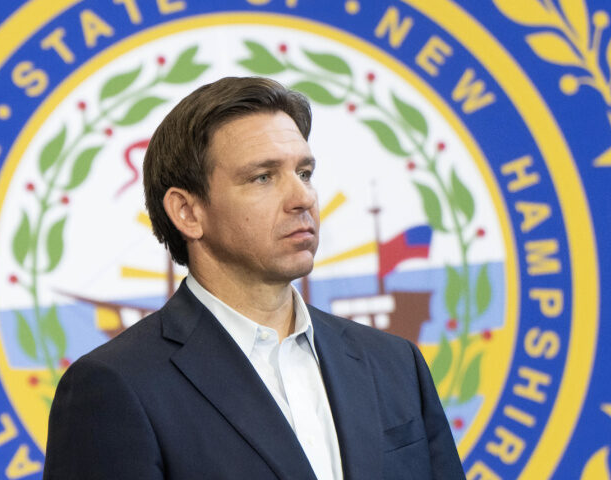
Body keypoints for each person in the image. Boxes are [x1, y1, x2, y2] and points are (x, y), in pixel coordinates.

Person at [43, 77, 466, 480]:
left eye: (304, 173)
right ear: (187, 213)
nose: (303, 198)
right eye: (263, 177)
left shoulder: (394, 363)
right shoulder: (115, 387)